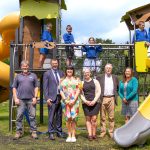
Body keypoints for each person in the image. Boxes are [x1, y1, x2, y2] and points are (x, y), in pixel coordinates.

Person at [12, 60, 38, 140]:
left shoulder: (33, 75)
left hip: (31, 99)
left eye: (26, 66)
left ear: (28, 66)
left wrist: (35, 97)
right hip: (20, 100)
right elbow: (14, 88)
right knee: (19, 116)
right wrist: (15, 98)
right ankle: (18, 132)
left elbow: (36, 87)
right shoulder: (17, 76)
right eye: (23, 66)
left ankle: (33, 132)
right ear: (21, 67)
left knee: (32, 116)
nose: (25, 67)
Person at [43, 59, 65, 140]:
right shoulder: (47, 73)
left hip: (60, 97)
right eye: (53, 63)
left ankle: (59, 131)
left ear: (58, 64)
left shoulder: (61, 73)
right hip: (52, 98)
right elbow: (45, 87)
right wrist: (47, 98)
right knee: (51, 116)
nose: (55, 64)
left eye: (56, 63)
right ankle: (51, 132)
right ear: (51, 64)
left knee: (59, 115)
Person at [96, 63, 119, 138]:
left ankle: (111, 132)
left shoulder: (115, 77)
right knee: (102, 116)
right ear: (104, 69)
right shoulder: (99, 77)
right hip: (102, 98)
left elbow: (118, 88)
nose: (108, 69)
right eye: (107, 68)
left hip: (112, 98)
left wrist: (116, 95)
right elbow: (96, 87)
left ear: (111, 69)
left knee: (111, 116)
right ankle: (103, 132)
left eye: (110, 68)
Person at [59, 66, 80, 142]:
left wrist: (74, 99)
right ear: (66, 70)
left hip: (75, 102)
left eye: (71, 69)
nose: (69, 70)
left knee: (74, 118)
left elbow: (78, 89)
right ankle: (69, 135)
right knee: (68, 119)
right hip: (65, 102)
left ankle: (73, 135)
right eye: (68, 69)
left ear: (73, 71)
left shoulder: (77, 79)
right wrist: (65, 99)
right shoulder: (62, 80)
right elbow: (60, 90)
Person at [80, 69, 101, 141]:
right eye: (85, 73)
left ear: (90, 73)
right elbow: (80, 94)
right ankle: (90, 134)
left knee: (94, 119)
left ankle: (94, 133)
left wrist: (94, 101)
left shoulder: (95, 81)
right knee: (88, 119)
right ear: (83, 74)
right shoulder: (81, 83)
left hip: (95, 103)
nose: (86, 74)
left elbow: (99, 91)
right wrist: (85, 101)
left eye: (88, 72)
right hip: (86, 103)